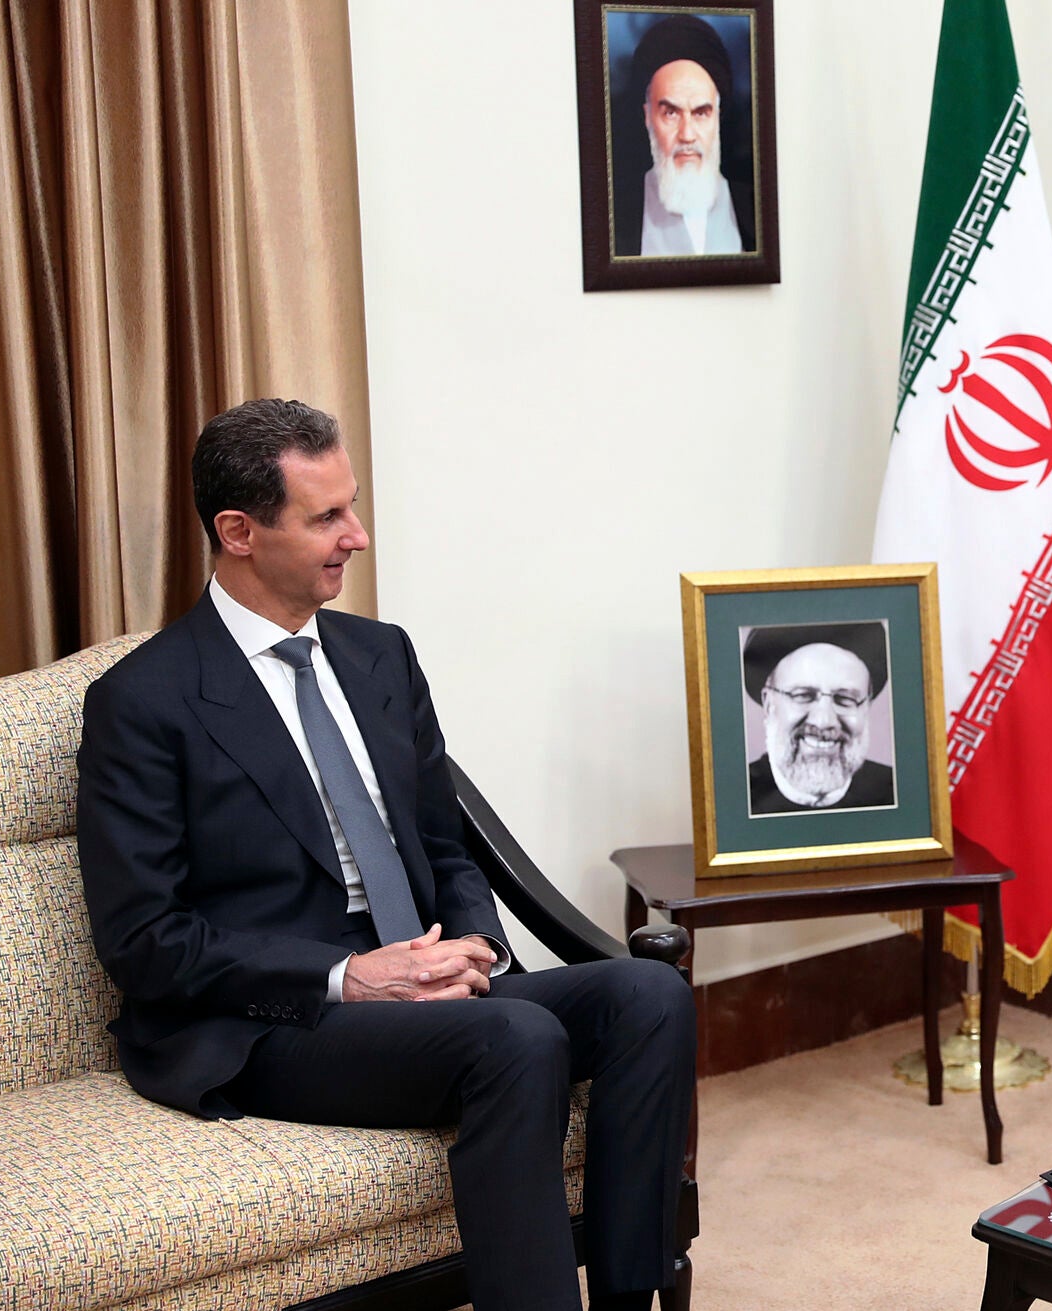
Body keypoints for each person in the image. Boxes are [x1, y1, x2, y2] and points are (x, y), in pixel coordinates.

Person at [76, 399, 695, 1311]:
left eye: (351, 506)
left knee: (649, 994)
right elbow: (144, 938)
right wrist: (350, 977)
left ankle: (629, 1301)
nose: (357, 536)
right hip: (279, 1021)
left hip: (434, 975)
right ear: (238, 532)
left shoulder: (379, 656)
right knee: (518, 1035)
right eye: (327, 516)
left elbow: (445, 842)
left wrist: (477, 944)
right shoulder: (144, 700)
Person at [614, 13, 754, 257]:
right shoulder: (616, 215)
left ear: (718, 117)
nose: (687, 135)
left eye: (701, 113)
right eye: (671, 113)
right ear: (648, 116)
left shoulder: (754, 209)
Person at [742, 623, 896, 814]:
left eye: (845, 699)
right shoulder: (735, 799)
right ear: (768, 705)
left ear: (866, 708)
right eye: (802, 696)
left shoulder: (897, 792)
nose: (824, 721)